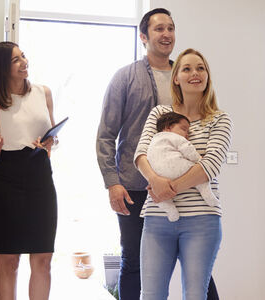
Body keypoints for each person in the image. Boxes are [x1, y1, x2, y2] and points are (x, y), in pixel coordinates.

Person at [96, 8, 218, 299]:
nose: (166, 35)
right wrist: (112, 182)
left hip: (186, 186)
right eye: (159, 29)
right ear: (143, 36)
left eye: (171, 28)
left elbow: (206, 119)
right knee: (135, 264)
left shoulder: (186, 75)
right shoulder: (124, 78)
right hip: (135, 187)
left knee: (199, 272)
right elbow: (105, 135)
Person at [134, 48, 232, 300]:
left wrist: (168, 188)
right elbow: (141, 154)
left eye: (200, 68)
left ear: (207, 76)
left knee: (195, 295)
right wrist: (155, 181)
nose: (194, 73)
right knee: (151, 295)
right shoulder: (159, 114)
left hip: (202, 221)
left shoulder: (219, 120)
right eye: (186, 68)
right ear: (176, 77)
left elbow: (209, 166)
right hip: (157, 219)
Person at [0, 41, 58, 300]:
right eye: (16, 60)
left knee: (43, 258)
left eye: (23, 56)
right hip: (6, 181)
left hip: (40, 178)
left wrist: (50, 142)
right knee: (9, 260)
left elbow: (53, 138)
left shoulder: (43, 92)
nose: (24, 62)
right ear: (1, 68)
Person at [146, 112, 219, 222]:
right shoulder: (175, 137)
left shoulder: (152, 141)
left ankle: (170, 210)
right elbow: (188, 149)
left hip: (159, 175)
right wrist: (199, 159)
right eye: (184, 129)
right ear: (168, 127)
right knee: (199, 172)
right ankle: (206, 193)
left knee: (157, 196)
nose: (187, 134)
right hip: (179, 168)